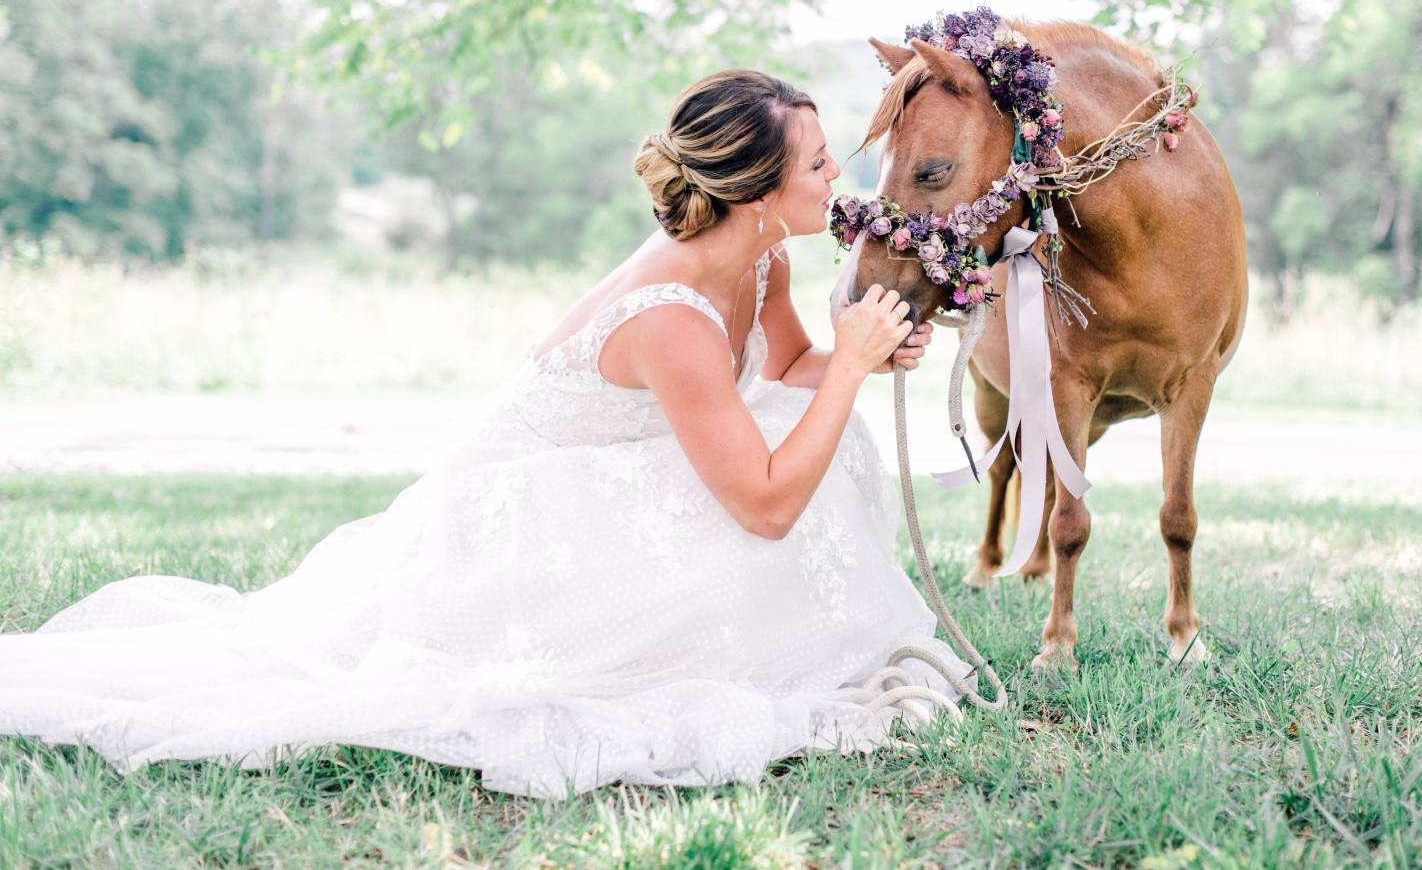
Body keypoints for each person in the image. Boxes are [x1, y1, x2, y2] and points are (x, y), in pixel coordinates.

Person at [0, 70, 965, 799]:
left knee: (820, 428)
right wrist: (845, 369)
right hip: (517, 532)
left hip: (617, 484)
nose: (838, 176)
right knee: (797, 463)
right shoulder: (669, 315)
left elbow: (792, 373)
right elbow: (760, 504)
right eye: (818, 163)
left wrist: (857, 359)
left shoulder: (758, 256)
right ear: (757, 191)